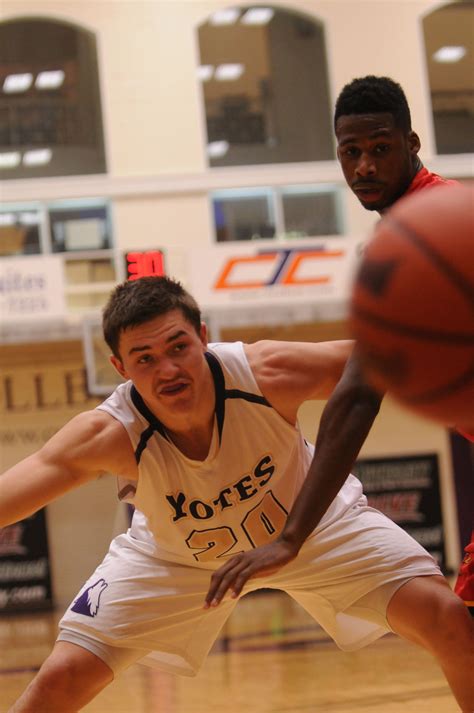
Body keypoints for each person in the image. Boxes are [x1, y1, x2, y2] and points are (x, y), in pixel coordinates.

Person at [2, 274, 472, 711]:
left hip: (320, 530)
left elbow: (379, 360)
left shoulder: (264, 373)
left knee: (446, 618)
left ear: (203, 336)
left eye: (178, 346)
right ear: (120, 367)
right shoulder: (108, 434)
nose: (167, 369)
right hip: (176, 560)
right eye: (145, 358)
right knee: (60, 679)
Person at [204, 76, 474, 708]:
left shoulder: (433, 231)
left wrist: (292, 535)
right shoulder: (420, 226)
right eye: (350, 151)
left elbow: (358, 396)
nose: (365, 165)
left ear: (412, 143)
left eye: (380, 147)